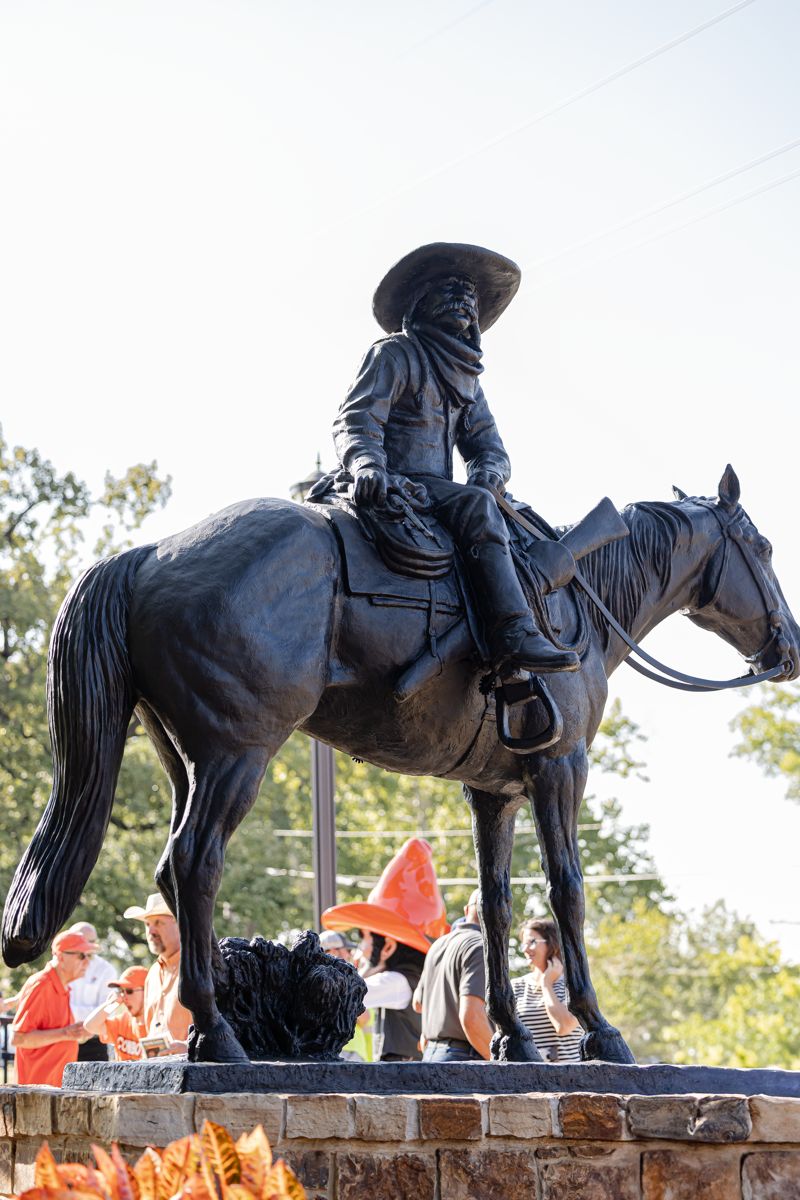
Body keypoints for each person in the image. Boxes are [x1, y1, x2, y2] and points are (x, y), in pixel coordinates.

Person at [312, 242, 579, 677]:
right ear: (420, 302)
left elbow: (489, 447)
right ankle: (512, 630)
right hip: (399, 482)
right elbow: (357, 420)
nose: (464, 299)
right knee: (476, 508)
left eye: (469, 294)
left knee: (511, 520)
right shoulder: (395, 354)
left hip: (444, 492)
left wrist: (488, 475)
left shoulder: (468, 381)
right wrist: (366, 464)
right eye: (450, 289)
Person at [322, 838, 449, 1062]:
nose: (361, 948)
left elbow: (343, 996)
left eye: (365, 938)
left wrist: (365, 972)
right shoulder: (415, 979)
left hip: (404, 1078)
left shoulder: (396, 981)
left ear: (388, 947)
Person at [413, 889, 494, 1062]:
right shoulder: (480, 946)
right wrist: (496, 1060)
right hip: (464, 1058)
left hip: (431, 1055)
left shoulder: (438, 945)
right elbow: (471, 1017)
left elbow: (418, 1004)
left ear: (466, 910)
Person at [11, 929, 95, 1086]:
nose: (87, 962)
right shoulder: (42, 985)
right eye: (81, 955)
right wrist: (66, 1033)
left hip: (52, 1090)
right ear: (61, 956)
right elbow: (19, 1038)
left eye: (88, 956)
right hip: (34, 1093)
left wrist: (75, 1033)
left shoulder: (63, 986)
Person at [124, 893, 192, 1053]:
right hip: (158, 1072)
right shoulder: (153, 974)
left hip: (193, 1072)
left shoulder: (199, 968)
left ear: (180, 925)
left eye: (158, 922)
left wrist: (189, 1048)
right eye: (147, 924)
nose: (151, 931)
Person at [512, 917, 583, 1062]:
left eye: (532, 942)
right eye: (523, 944)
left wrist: (546, 984)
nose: (525, 949)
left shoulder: (575, 985)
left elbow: (563, 1026)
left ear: (552, 944)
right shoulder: (516, 986)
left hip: (570, 1079)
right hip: (528, 1078)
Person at [66, 920, 118, 1062]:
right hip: (61, 1039)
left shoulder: (106, 970)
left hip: (94, 1043)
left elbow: (109, 1010)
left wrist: (71, 1014)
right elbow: (53, 1005)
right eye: (83, 940)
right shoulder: (62, 965)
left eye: (92, 941)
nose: (88, 945)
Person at [319, 931, 372, 1062]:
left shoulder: (312, 979)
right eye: (347, 950)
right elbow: (364, 1017)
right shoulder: (339, 979)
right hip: (347, 1052)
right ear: (333, 952)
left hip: (329, 1051)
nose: (349, 954)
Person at [83, 965, 148, 1061]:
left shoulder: (158, 1025)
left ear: (147, 990)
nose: (123, 997)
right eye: (121, 991)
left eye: (129, 991)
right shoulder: (122, 1022)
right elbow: (90, 1026)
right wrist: (112, 1004)